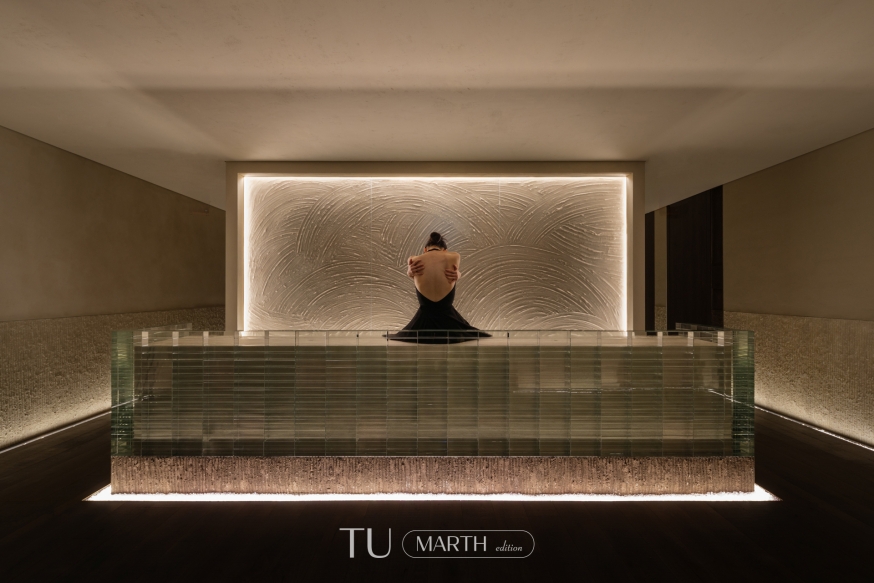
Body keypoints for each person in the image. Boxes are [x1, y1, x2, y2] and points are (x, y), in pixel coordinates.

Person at [387, 232, 490, 344]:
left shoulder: (413, 259)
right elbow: (454, 272)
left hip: (425, 311)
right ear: (444, 250)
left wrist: (409, 272)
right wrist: (459, 274)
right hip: (446, 309)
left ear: (425, 249)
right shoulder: (454, 256)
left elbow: (411, 271)